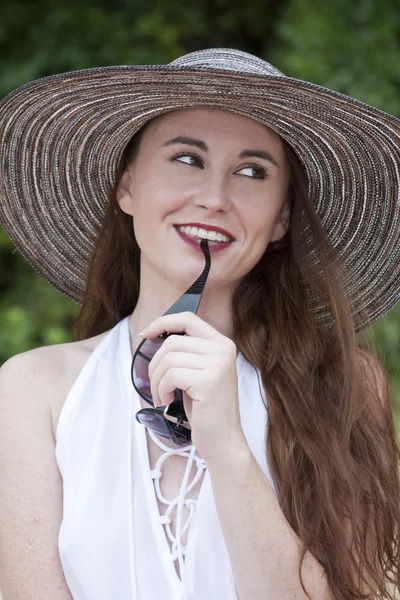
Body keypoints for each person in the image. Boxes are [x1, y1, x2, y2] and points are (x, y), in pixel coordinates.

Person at [0, 47, 399, 600]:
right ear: (127, 187)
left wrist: (229, 448)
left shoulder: (343, 387)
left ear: (281, 216)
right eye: (187, 159)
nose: (214, 198)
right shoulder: (33, 390)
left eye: (252, 171)